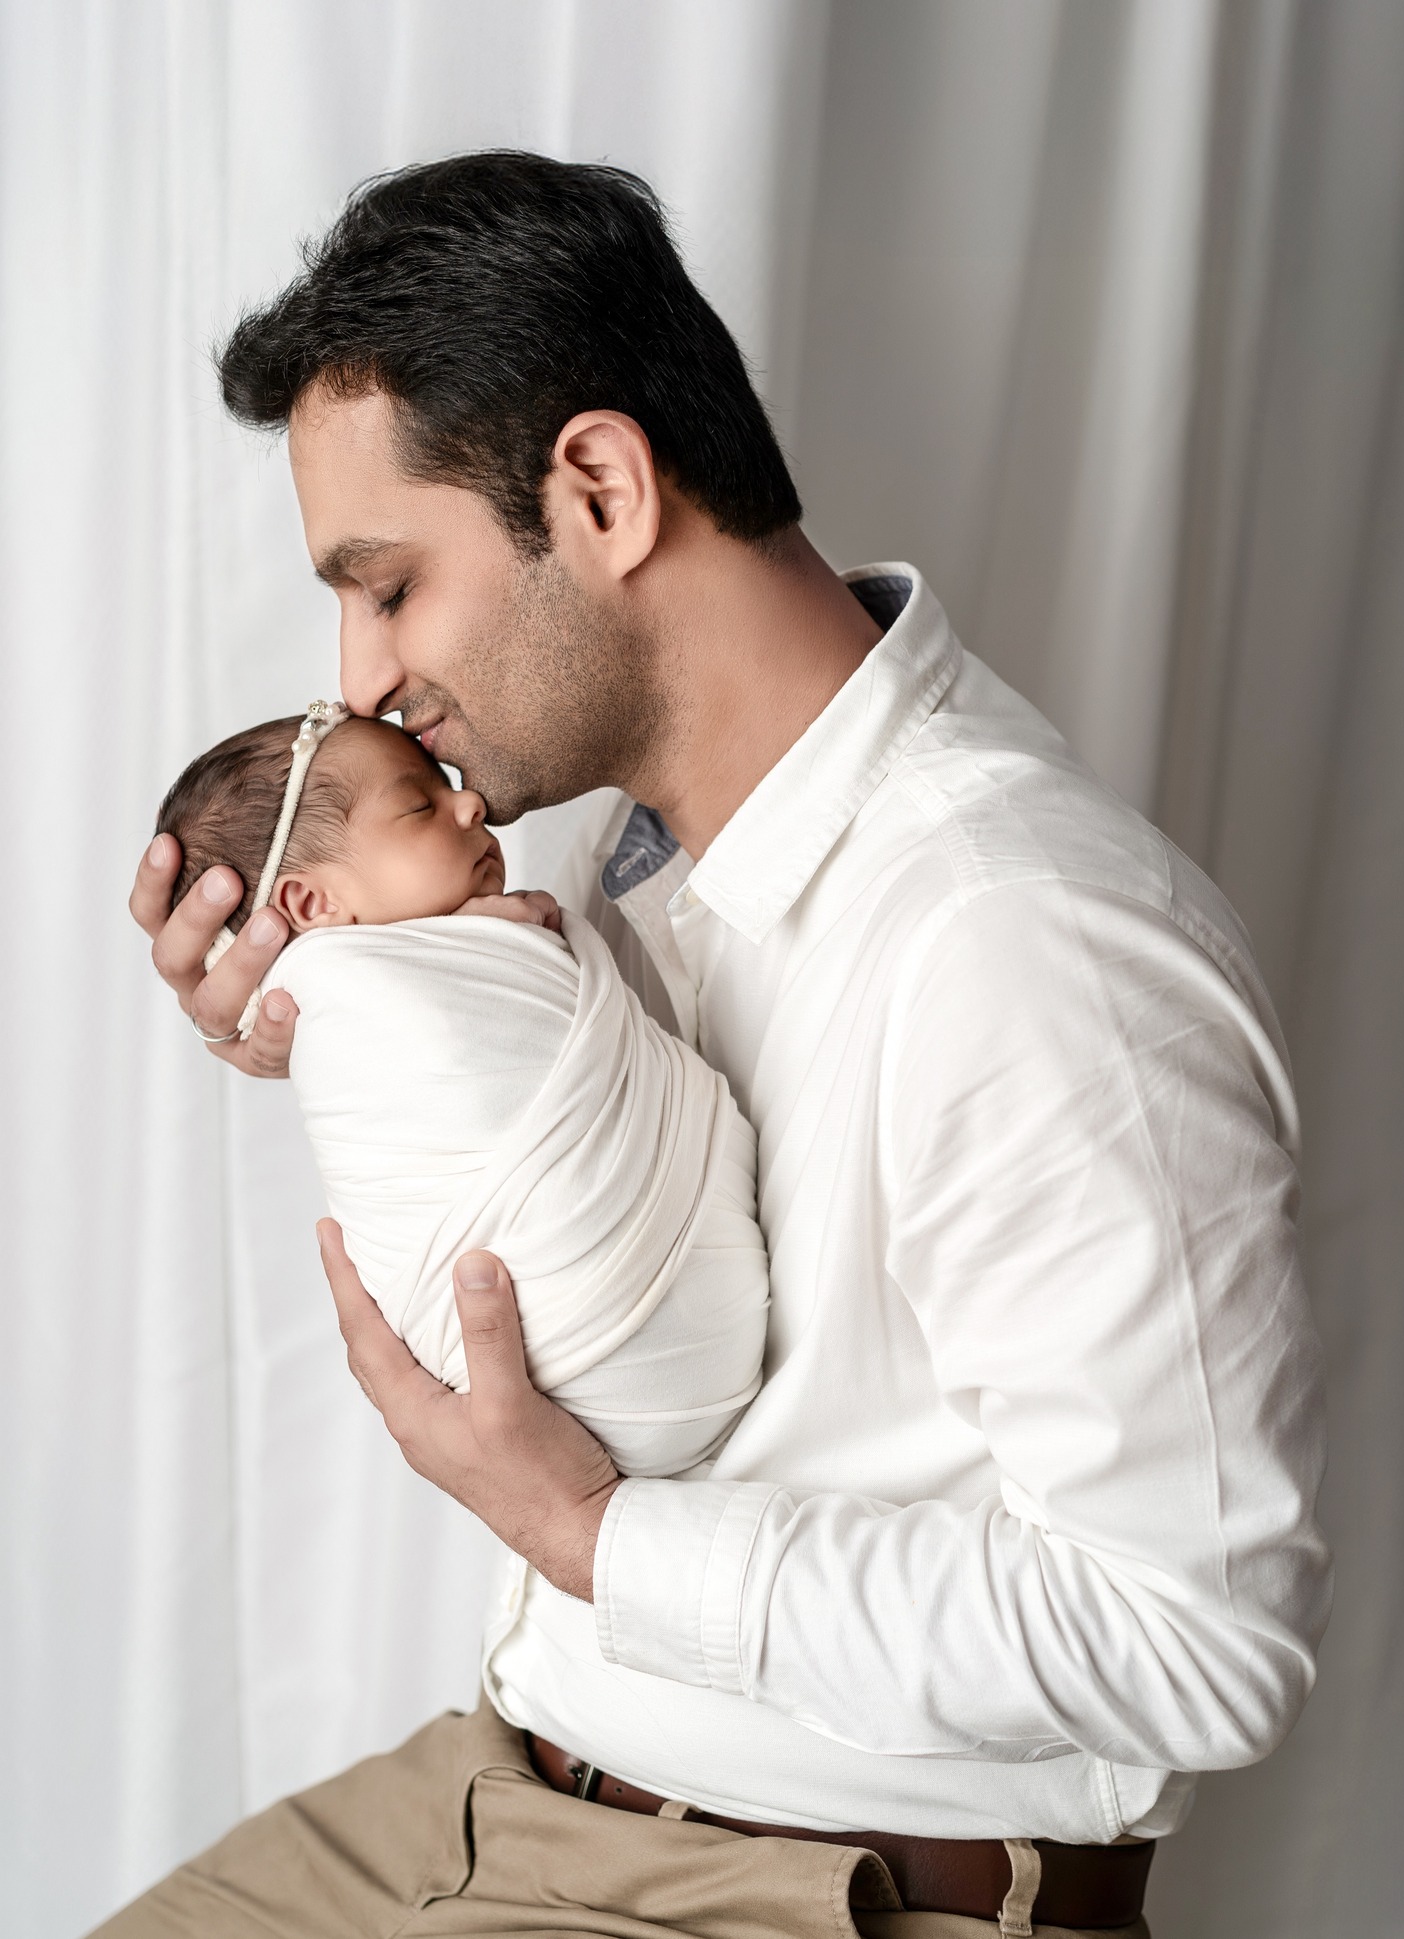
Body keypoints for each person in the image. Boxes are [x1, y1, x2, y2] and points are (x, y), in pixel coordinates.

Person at [115, 151, 1331, 1938]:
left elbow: (1199, 1641)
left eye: (387, 585)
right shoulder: (638, 854)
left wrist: (598, 1539)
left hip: (800, 1879)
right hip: (503, 1781)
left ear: (602, 490)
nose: (358, 680)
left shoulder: (1025, 937)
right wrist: (356, 1021)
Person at [153, 705, 768, 1475]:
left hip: (657, 1339)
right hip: (599, 1347)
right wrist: (505, 937)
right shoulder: (338, 995)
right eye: (421, 805)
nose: (470, 803)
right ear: (312, 906)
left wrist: (499, 939)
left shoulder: (547, 890)